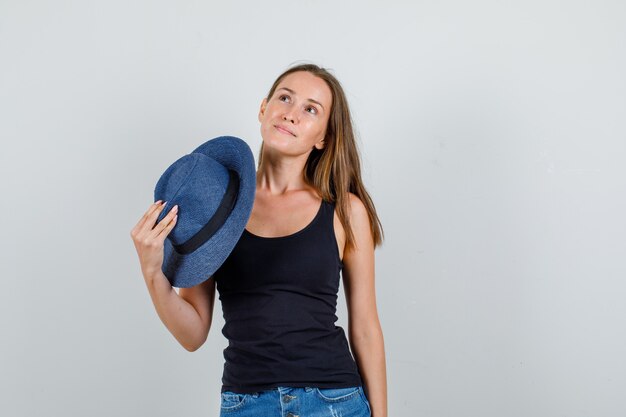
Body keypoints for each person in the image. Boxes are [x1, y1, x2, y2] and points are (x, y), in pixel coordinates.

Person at [131, 63, 387, 417]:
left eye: (310, 109)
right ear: (263, 109)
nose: (291, 114)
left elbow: (366, 327)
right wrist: (152, 272)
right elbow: (193, 335)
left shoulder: (345, 210)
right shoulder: (220, 206)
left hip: (334, 402)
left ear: (323, 137)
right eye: (285, 98)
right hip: (247, 404)